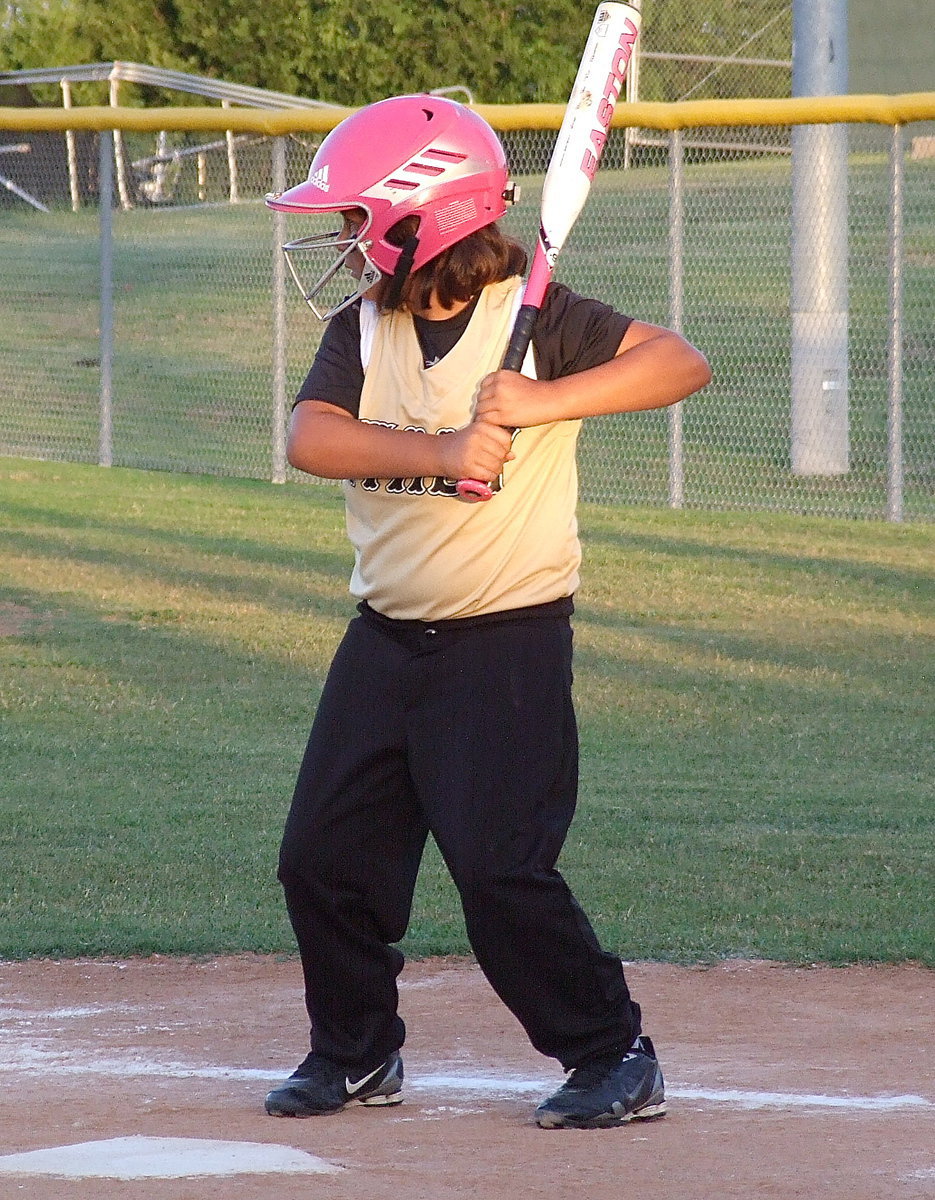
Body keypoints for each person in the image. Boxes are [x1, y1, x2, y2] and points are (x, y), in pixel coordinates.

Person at [263, 94, 711, 1130]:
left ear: (418, 217)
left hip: (503, 642)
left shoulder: (538, 322)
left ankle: (610, 1052)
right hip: (383, 639)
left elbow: (678, 361)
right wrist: (440, 450)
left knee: (500, 870)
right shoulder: (362, 326)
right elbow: (311, 439)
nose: (342, 238)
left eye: (353, 216)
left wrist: (541, 401)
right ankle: (356, 1053)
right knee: (320, 860)